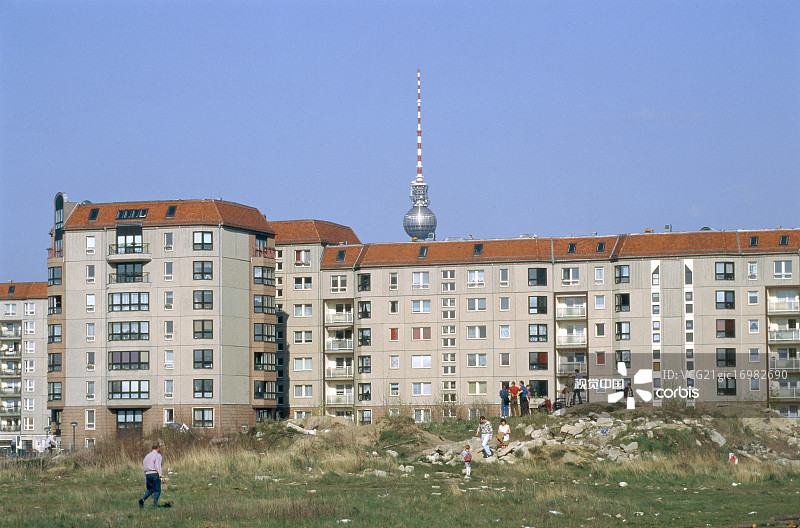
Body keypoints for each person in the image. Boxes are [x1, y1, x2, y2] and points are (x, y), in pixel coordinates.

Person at [139, 443, 165, 509]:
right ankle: (154, 505)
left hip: (147, 474)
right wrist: (161, 476)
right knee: (157, 490)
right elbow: (158, 466)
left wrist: (145, 476)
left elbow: (144, 466)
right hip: (154, 474)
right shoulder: (158, 455)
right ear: (158, 448)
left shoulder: (147, 456)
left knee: (150, 489)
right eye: (159, 447)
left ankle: (142, 500)